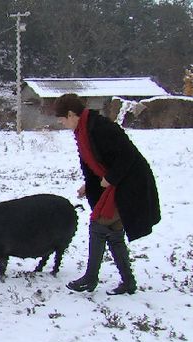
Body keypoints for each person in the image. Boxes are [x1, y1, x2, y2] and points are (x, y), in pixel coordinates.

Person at [52, 94, 160, 295]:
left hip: (131, 184)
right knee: (114, 233)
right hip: (119, 184)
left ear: (71, 114)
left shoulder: (100, 127)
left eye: (62, 119)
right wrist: (89, 184)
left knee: (99, 225)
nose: (61, 123)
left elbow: (127, 154)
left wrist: (110, 178)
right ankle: (128, 282)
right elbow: (95, 162)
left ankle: (90, 278)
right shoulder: (84, 131)